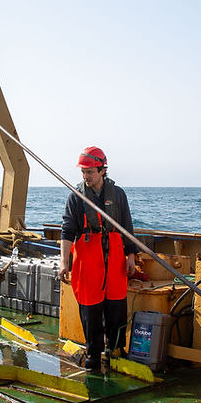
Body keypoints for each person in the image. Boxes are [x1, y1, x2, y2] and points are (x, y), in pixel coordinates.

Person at [59, 146, 137, 372]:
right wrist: (64, 262)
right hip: (87, 258)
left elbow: (127, 227)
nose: (86, 176)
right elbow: (67, 231)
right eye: (83, 172)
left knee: (116, 305)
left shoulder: (118, 195)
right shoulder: (76, 197)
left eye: (90, 172)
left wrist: (130, 255)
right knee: (90, 308)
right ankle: (93, 352)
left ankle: (115, 350)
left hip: (114, 258)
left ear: (102, 170)